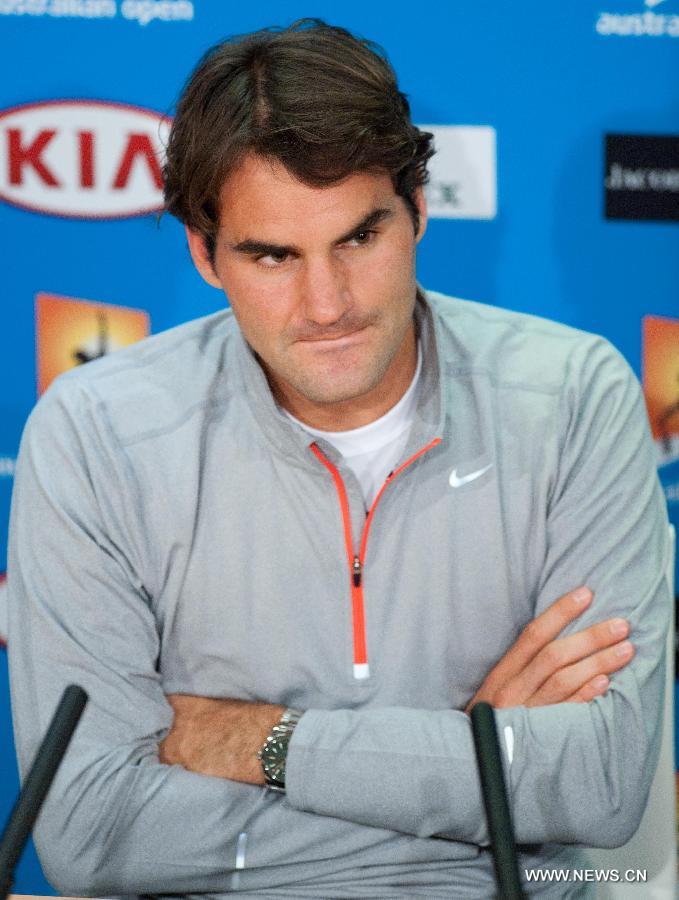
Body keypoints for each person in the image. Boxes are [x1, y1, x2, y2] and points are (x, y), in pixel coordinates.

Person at [7, 18, 670, 900]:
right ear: (204, 254)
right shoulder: (94, 435)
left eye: (359, 237)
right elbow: (94, 830)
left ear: (419, 209)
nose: (327, 305)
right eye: (272, 255)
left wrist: (257, 741)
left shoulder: (575, 397)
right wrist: (470, 770)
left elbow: (600, 784)